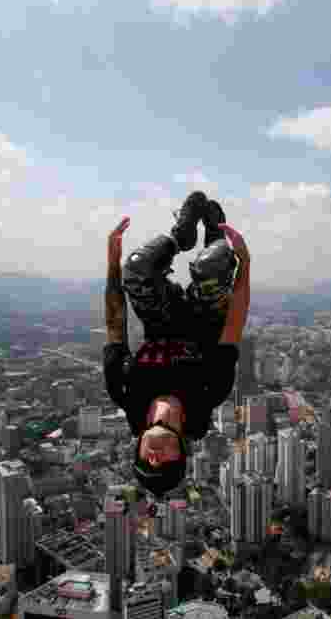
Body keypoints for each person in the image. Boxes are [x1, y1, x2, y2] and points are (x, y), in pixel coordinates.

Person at [103, 191, 250, 498]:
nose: (155, 457)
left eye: (147, 461)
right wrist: (245, 263)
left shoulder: (126, 392)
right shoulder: (208, 393)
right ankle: (214, 236)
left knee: (136, 269)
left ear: (139, 448)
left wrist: (113, 260)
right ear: (182, 450)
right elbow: (234, 326)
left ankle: (180, 236)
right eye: (164, 463)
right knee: (212, 264)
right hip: (204, 318)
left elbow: (116, 324)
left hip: (162, 317)